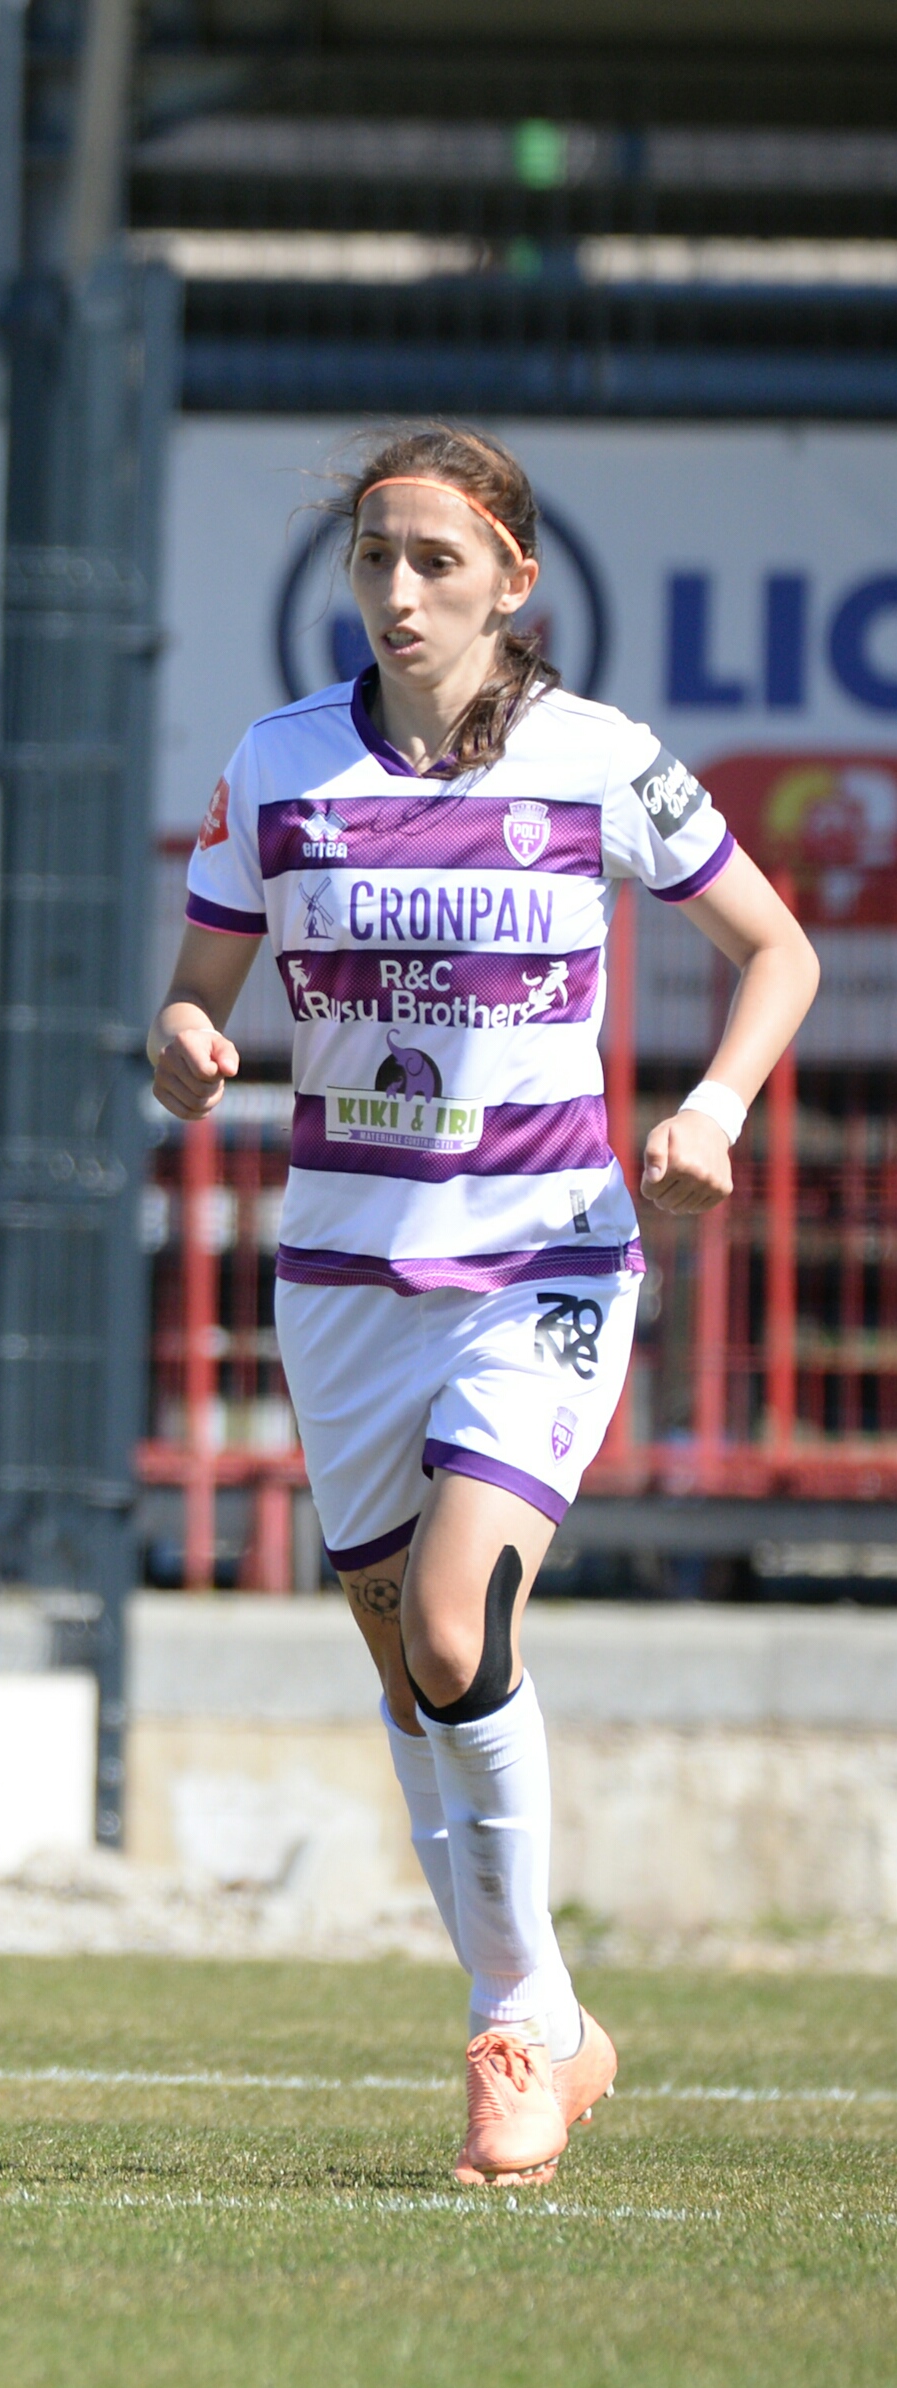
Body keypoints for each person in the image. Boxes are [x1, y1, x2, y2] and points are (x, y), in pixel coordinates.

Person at [156, 424, 816, 2187]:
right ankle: (550, 2017)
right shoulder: (279, 763)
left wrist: (711, 1108)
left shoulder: (598, 759)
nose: (396, 590)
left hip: (541, 1263)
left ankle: (513, 2021)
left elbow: (779, 951)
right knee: (402, 1665)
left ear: (512, 579)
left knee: (454, 1629)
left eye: (434, 560)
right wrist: (185, 1041)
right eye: (373, 555)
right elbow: (190, 993)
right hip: (340, 1280)